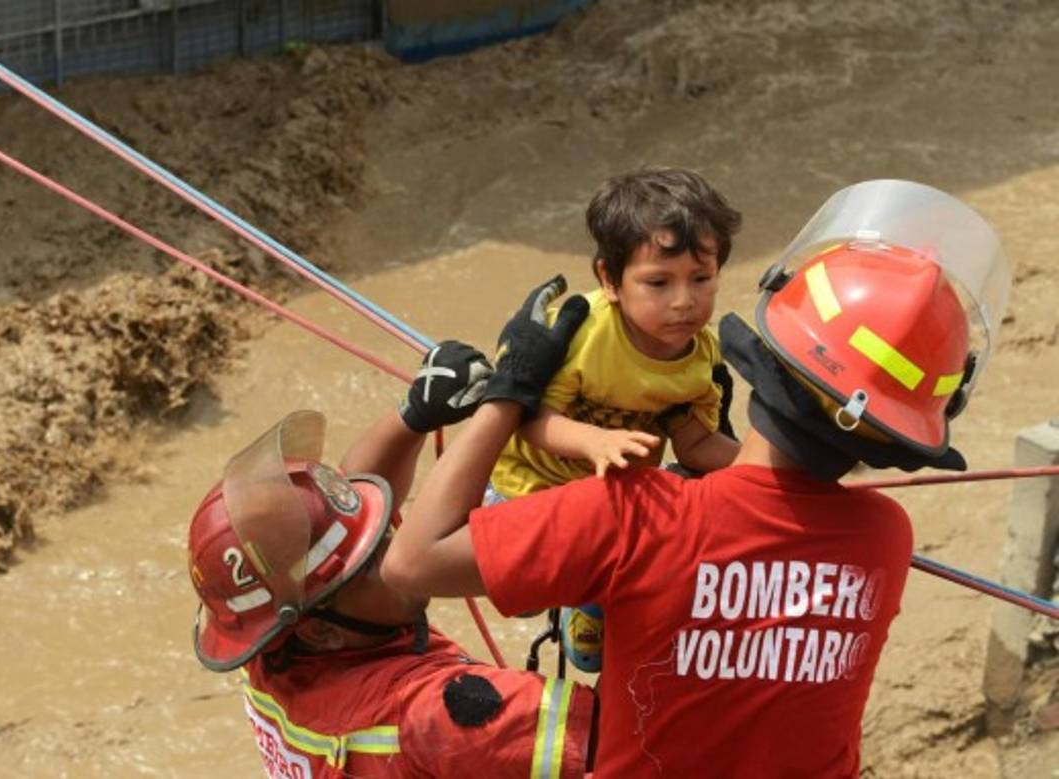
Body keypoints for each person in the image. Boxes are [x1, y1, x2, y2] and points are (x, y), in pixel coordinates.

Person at [382, 179, 1011, 777]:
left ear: (764, 357)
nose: (682, 300)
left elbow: (411, 564)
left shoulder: (634, 512)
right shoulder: (885, 540)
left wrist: (507, 392)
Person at [185, 339, 595, 778]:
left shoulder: (272, 640)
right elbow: (642, 733)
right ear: (322, 630)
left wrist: (414, 415)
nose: (401, 546)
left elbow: (348, 502)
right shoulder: (439, 714)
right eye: (375, 558)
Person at [486, 167, 744, 671]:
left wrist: (770, 469)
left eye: (701, 279)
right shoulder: (581, 333)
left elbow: (694, 445)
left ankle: (590, 598)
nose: (684, 301)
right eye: (657, 283)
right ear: (609, 280)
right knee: (522, 598)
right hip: (529, 483)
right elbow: (531, 419)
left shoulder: (700, 356)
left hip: (610, 501)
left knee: (592, 657)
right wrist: (595, 443)